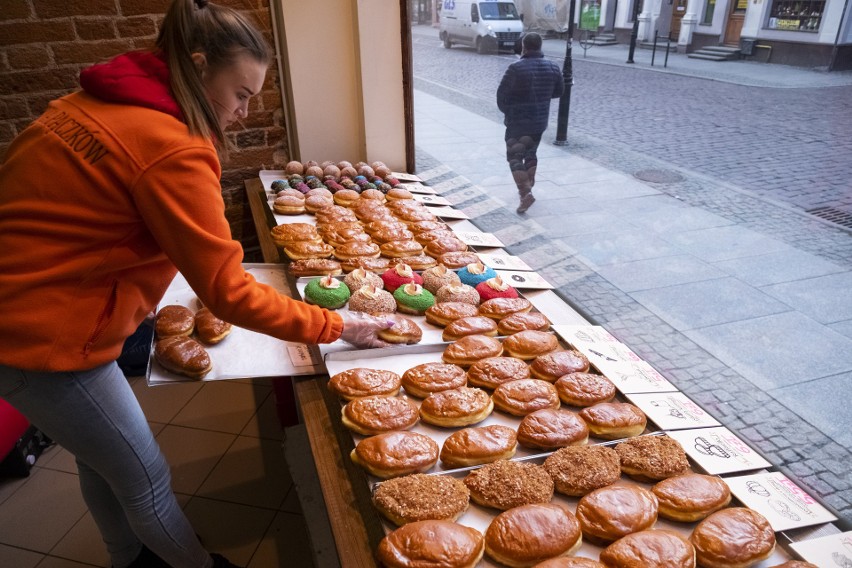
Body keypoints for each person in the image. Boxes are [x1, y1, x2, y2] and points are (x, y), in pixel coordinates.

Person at [0, 1, 392, 567]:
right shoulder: (171, 146)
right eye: (240, 94)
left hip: (26, 309)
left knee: (100, 459)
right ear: (198, 65)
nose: (244, 112)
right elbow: (227, 291)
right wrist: (336, 325)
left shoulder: (93, 103)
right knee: (146, 479)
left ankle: (128, 561)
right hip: (44, 339)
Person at [496, 32, 564, 214]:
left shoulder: (516, 68)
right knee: (531, 151)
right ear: (540, 46)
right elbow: (559, 91)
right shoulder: (553, 67)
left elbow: (501, 96)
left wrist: (509, 112)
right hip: (539, 120)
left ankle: (525, 192)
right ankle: (529, 182)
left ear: (524, 46)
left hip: (518, 122)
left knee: (515, 157)